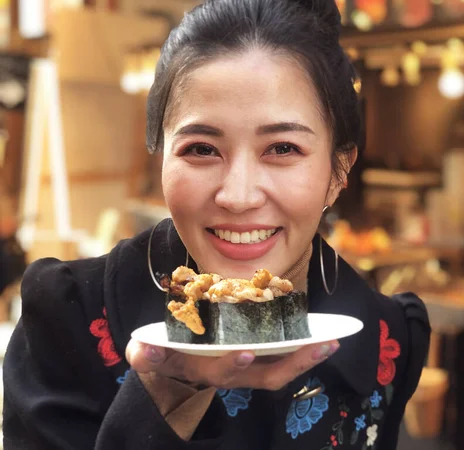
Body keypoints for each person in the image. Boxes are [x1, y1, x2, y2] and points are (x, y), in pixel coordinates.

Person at [2, 0, 430, 448]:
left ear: (339, 170)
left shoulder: (388, 337)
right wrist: (167, 390)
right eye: (202, 149)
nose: (238, 197)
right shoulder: (67, 316)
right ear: (161, 156)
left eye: (282, 149)